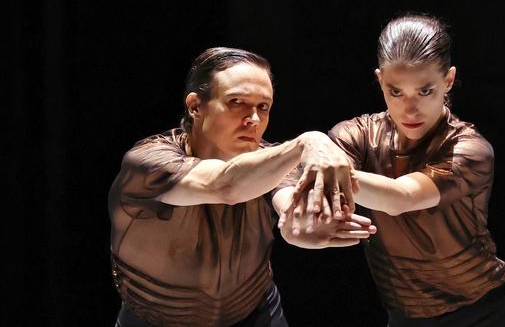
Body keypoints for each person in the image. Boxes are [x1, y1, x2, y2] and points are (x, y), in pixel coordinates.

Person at [284, 14, 505, 326]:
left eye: (425, 91)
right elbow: (293, 178)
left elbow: (402, 198)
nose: (410, 109)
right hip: (408, 317)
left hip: (492, 313)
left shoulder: (469, 148)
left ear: (448, 80)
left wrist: (326, 168)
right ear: (380, 80)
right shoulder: (357, 135)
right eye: (396, 92)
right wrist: (292, 218)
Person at [108, 47, 376, 327]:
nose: (254, 120)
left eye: (263, 107)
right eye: (237, 102)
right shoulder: (148, 161)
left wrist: (302, 223)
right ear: (195, 106)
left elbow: (288, 201)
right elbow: (224, 185)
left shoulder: (270, 160)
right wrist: (309, 141)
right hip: (155, 320)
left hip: (255, 314)